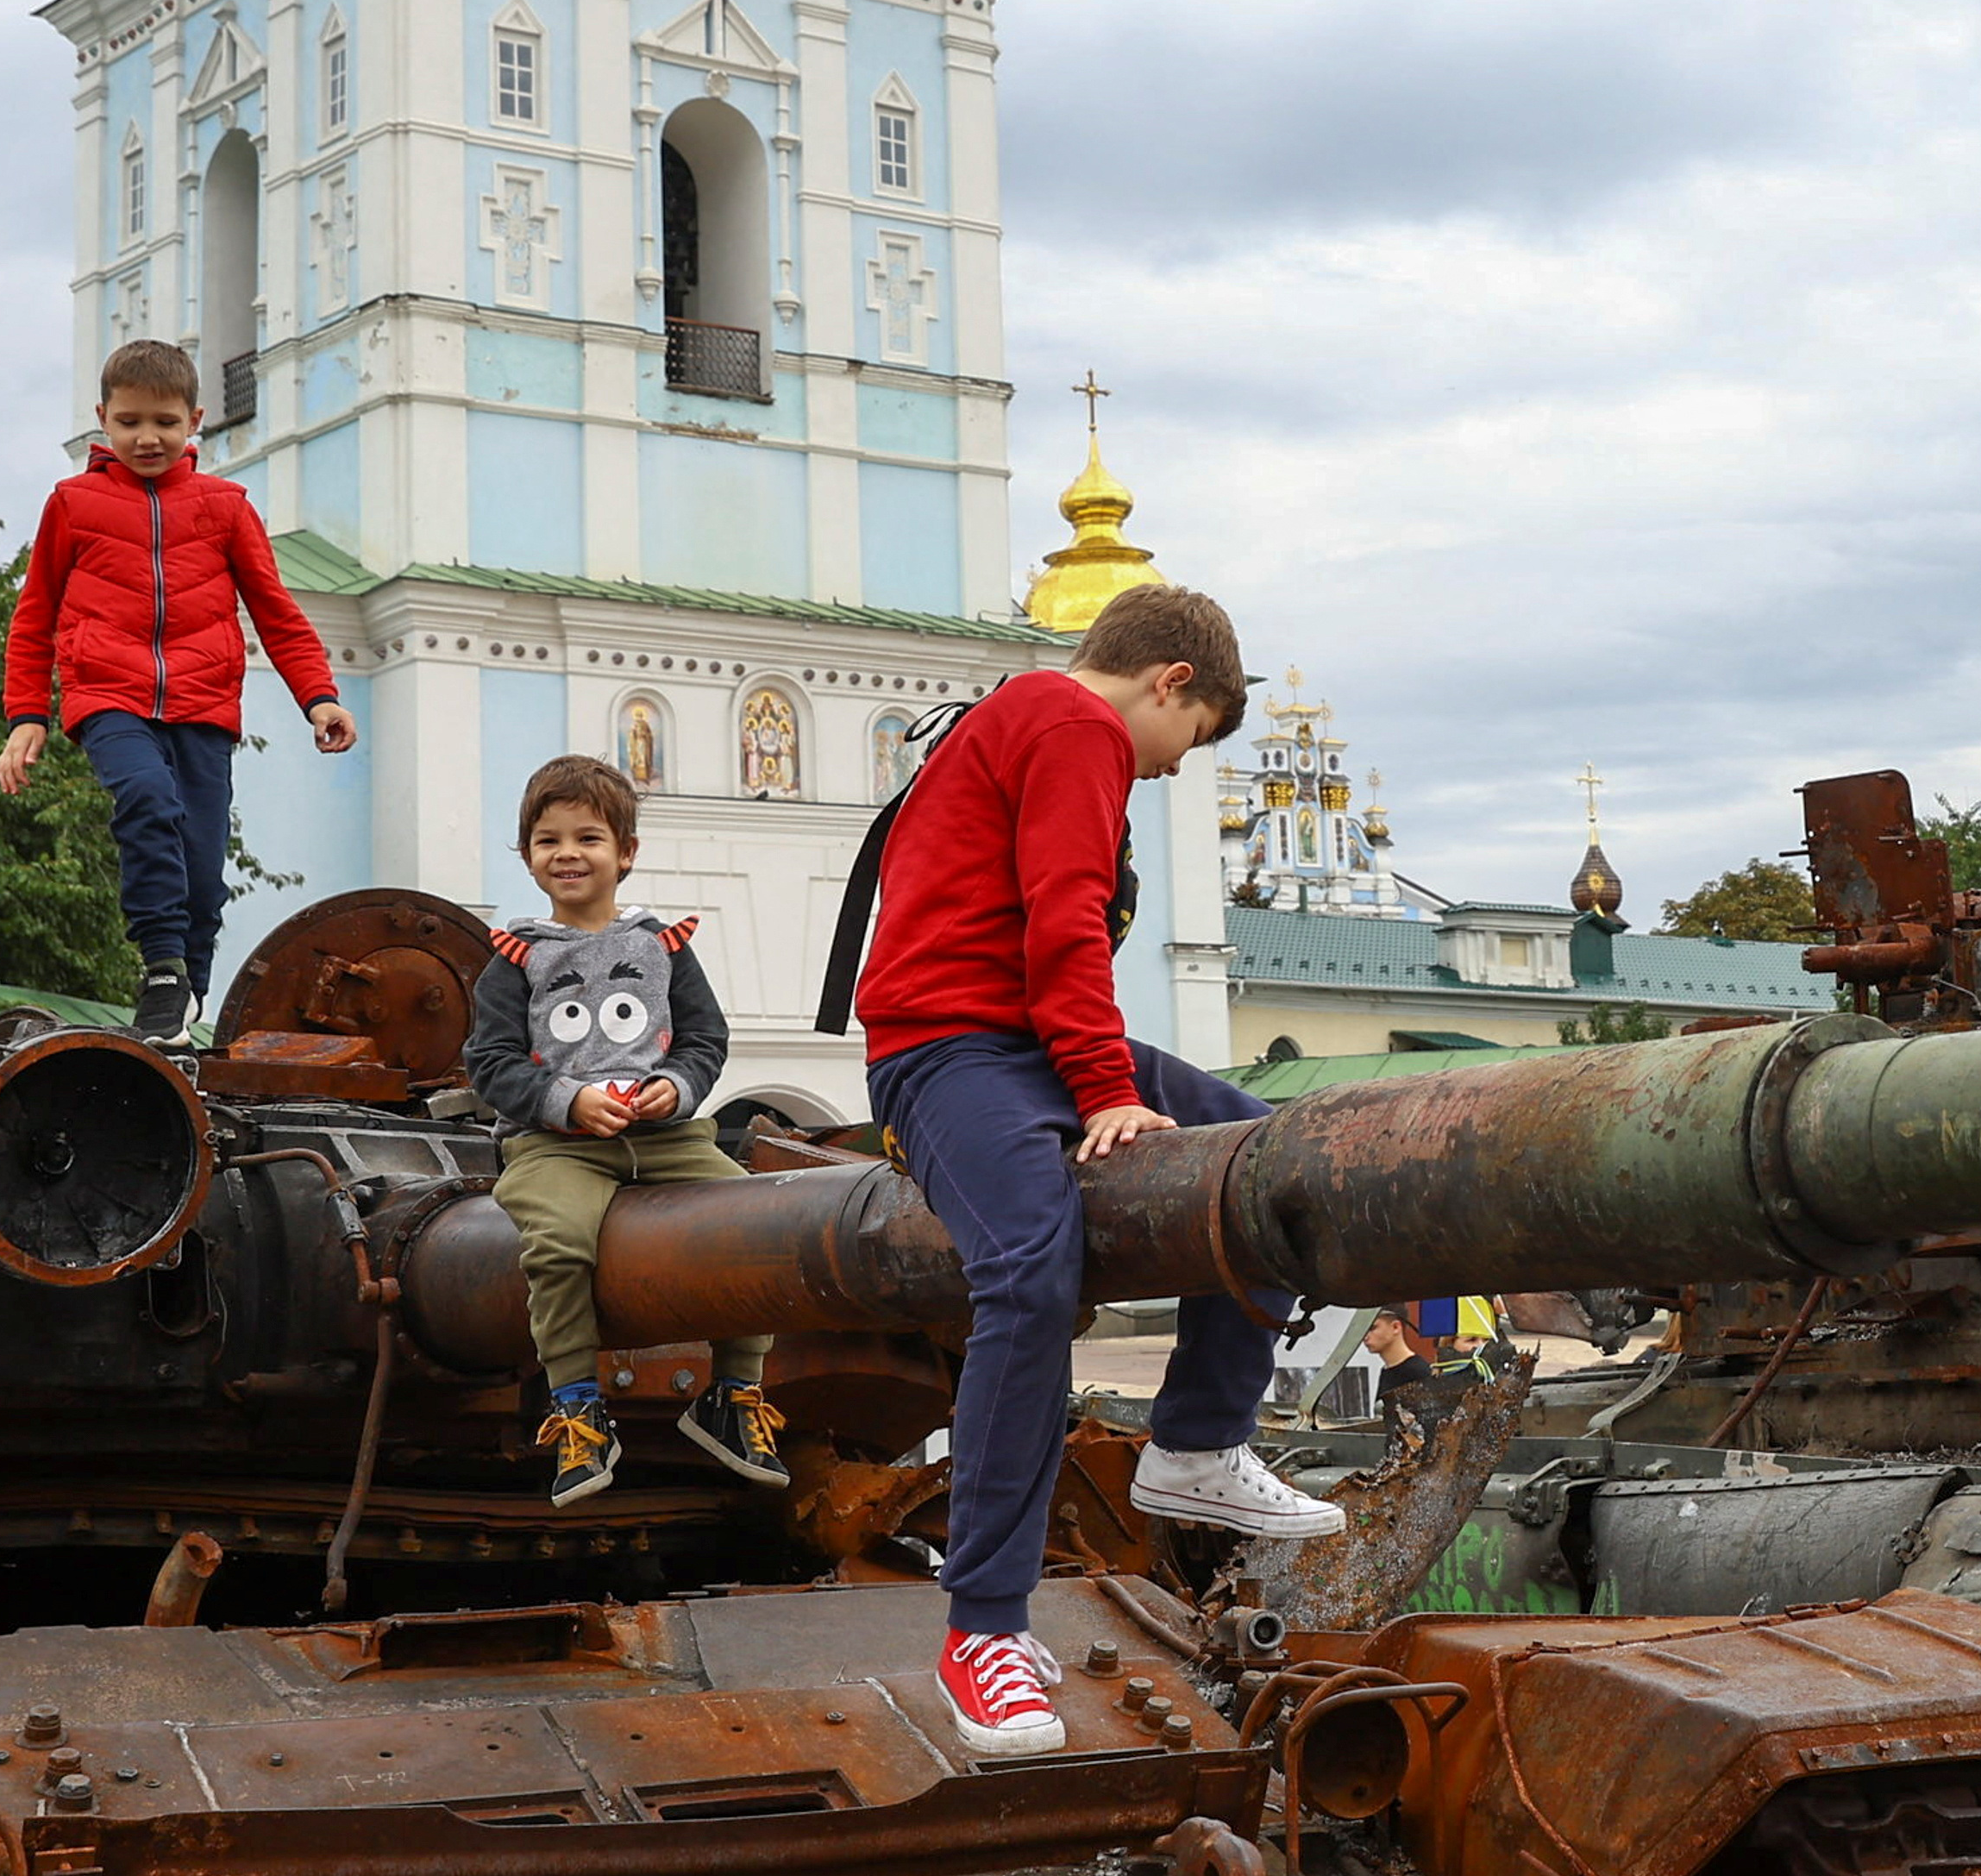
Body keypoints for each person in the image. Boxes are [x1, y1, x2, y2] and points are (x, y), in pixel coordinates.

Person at [851, 583, 1345, 1760]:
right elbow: (1062, 917)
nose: (1179, 770)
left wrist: (1100, 1072)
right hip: (947, 1047)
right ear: (1170, 684)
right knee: (1030, 1266)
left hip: (1019, 1037)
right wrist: (1107, 1089)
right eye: (1197, 739)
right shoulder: (1073, 726)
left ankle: (1196, 1445)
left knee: (1262, 1155)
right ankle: (983, 1631)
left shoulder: (1023, 721)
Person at [0, 339, 355, 1036]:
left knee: (203, 861)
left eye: (163, 421)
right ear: (103, 419)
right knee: (146, 799)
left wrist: (320, 695)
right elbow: (34, 614)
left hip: (204, 704)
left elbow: (275, 610)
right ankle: (162, 968)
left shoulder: (226, 507)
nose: (146, 437)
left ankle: (185, 1008)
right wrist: (27, 714)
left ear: (196, 419)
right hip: (108, 696)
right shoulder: (72, 504)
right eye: (128, 422)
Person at [466, 754, 786, 1507]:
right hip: (557, 1145)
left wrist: (674, 1090)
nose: (568, 854)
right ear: (528, 857)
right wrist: (563, 1101)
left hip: (668, 1138)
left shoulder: (663, 946)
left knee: (763, 1224)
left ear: (626, 853)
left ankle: (734, 1394)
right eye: (548, 840)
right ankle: (577, 1406)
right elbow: (490, 1062)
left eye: (588, 838)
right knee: (558, 1241)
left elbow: (706, 1041)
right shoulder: (516, 959)